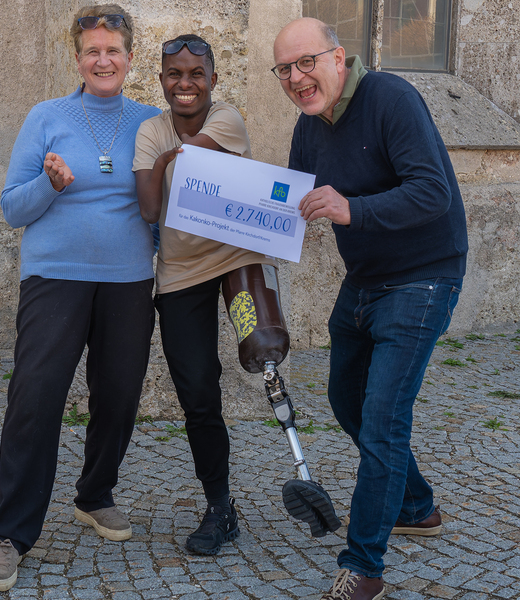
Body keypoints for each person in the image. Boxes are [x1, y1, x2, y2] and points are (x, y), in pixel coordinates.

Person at [272, 18, 468, 600]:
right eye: (284, 69)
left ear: (338, 57)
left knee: (383, 418)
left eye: (306, 62)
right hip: (366, 280)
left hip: (424, 276)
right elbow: (289, 197)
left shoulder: (391, 98)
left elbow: (434, 192)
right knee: (345, 398)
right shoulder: (309, 126)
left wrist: (350, 209)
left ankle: (363, 567)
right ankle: (417, 505)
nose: (296, 78)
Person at [0, 5, 160, 592]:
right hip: (55, 274)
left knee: (118, 393)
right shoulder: (46, 116)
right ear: (77, 59)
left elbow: (167, 209)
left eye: (113, 50)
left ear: (130, 58)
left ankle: (94, 495)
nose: (102, 60)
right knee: (35, 394)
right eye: (91, 52)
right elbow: (13, 208)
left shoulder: (154, 123)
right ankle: (10, 531)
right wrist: (49, 185)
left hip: (129, 278)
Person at [133, 34, 277, 555]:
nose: (185, 83)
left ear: (213, 79)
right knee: (197, 390)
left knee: (266, 347)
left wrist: (168, 158)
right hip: (181, 271)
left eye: (196, 73)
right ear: (162, 81)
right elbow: (150, 209)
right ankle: (221, 507)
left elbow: (190, 165)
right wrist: (173, 157)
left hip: (236, 258)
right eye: (175, 74)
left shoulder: (228, 118)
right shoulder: (151, 128)